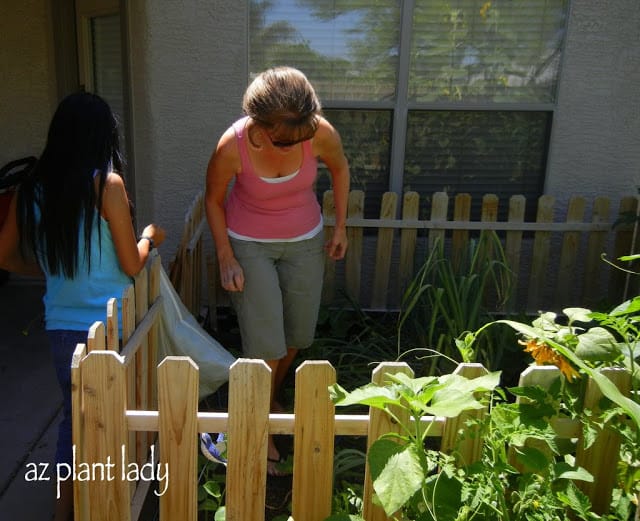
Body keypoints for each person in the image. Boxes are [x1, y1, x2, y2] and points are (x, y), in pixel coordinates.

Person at [0, 92, 166, 521]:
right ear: (101, 137)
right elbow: (132, 265)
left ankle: (65, 510)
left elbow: (6, 256)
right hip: (111, 326)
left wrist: (55, 273)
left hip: (61, 327)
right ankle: (105, 503)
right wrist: (149, 236)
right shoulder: (106, 185)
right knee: (113, 417)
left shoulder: (32, 188)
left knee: (74, 420)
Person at [204, 66, 350, 476]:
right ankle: (257, 426)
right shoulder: (231, 147)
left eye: (301, 138)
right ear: (259, 124)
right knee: (264, 340)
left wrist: (340, 226)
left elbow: (340, 168)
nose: (293, 147)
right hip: (249, 244)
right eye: (284, 139)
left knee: (298, 334)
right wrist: (225, 255)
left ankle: (267, 398)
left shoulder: (318, 130)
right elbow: (213, 200)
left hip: (305, 240)